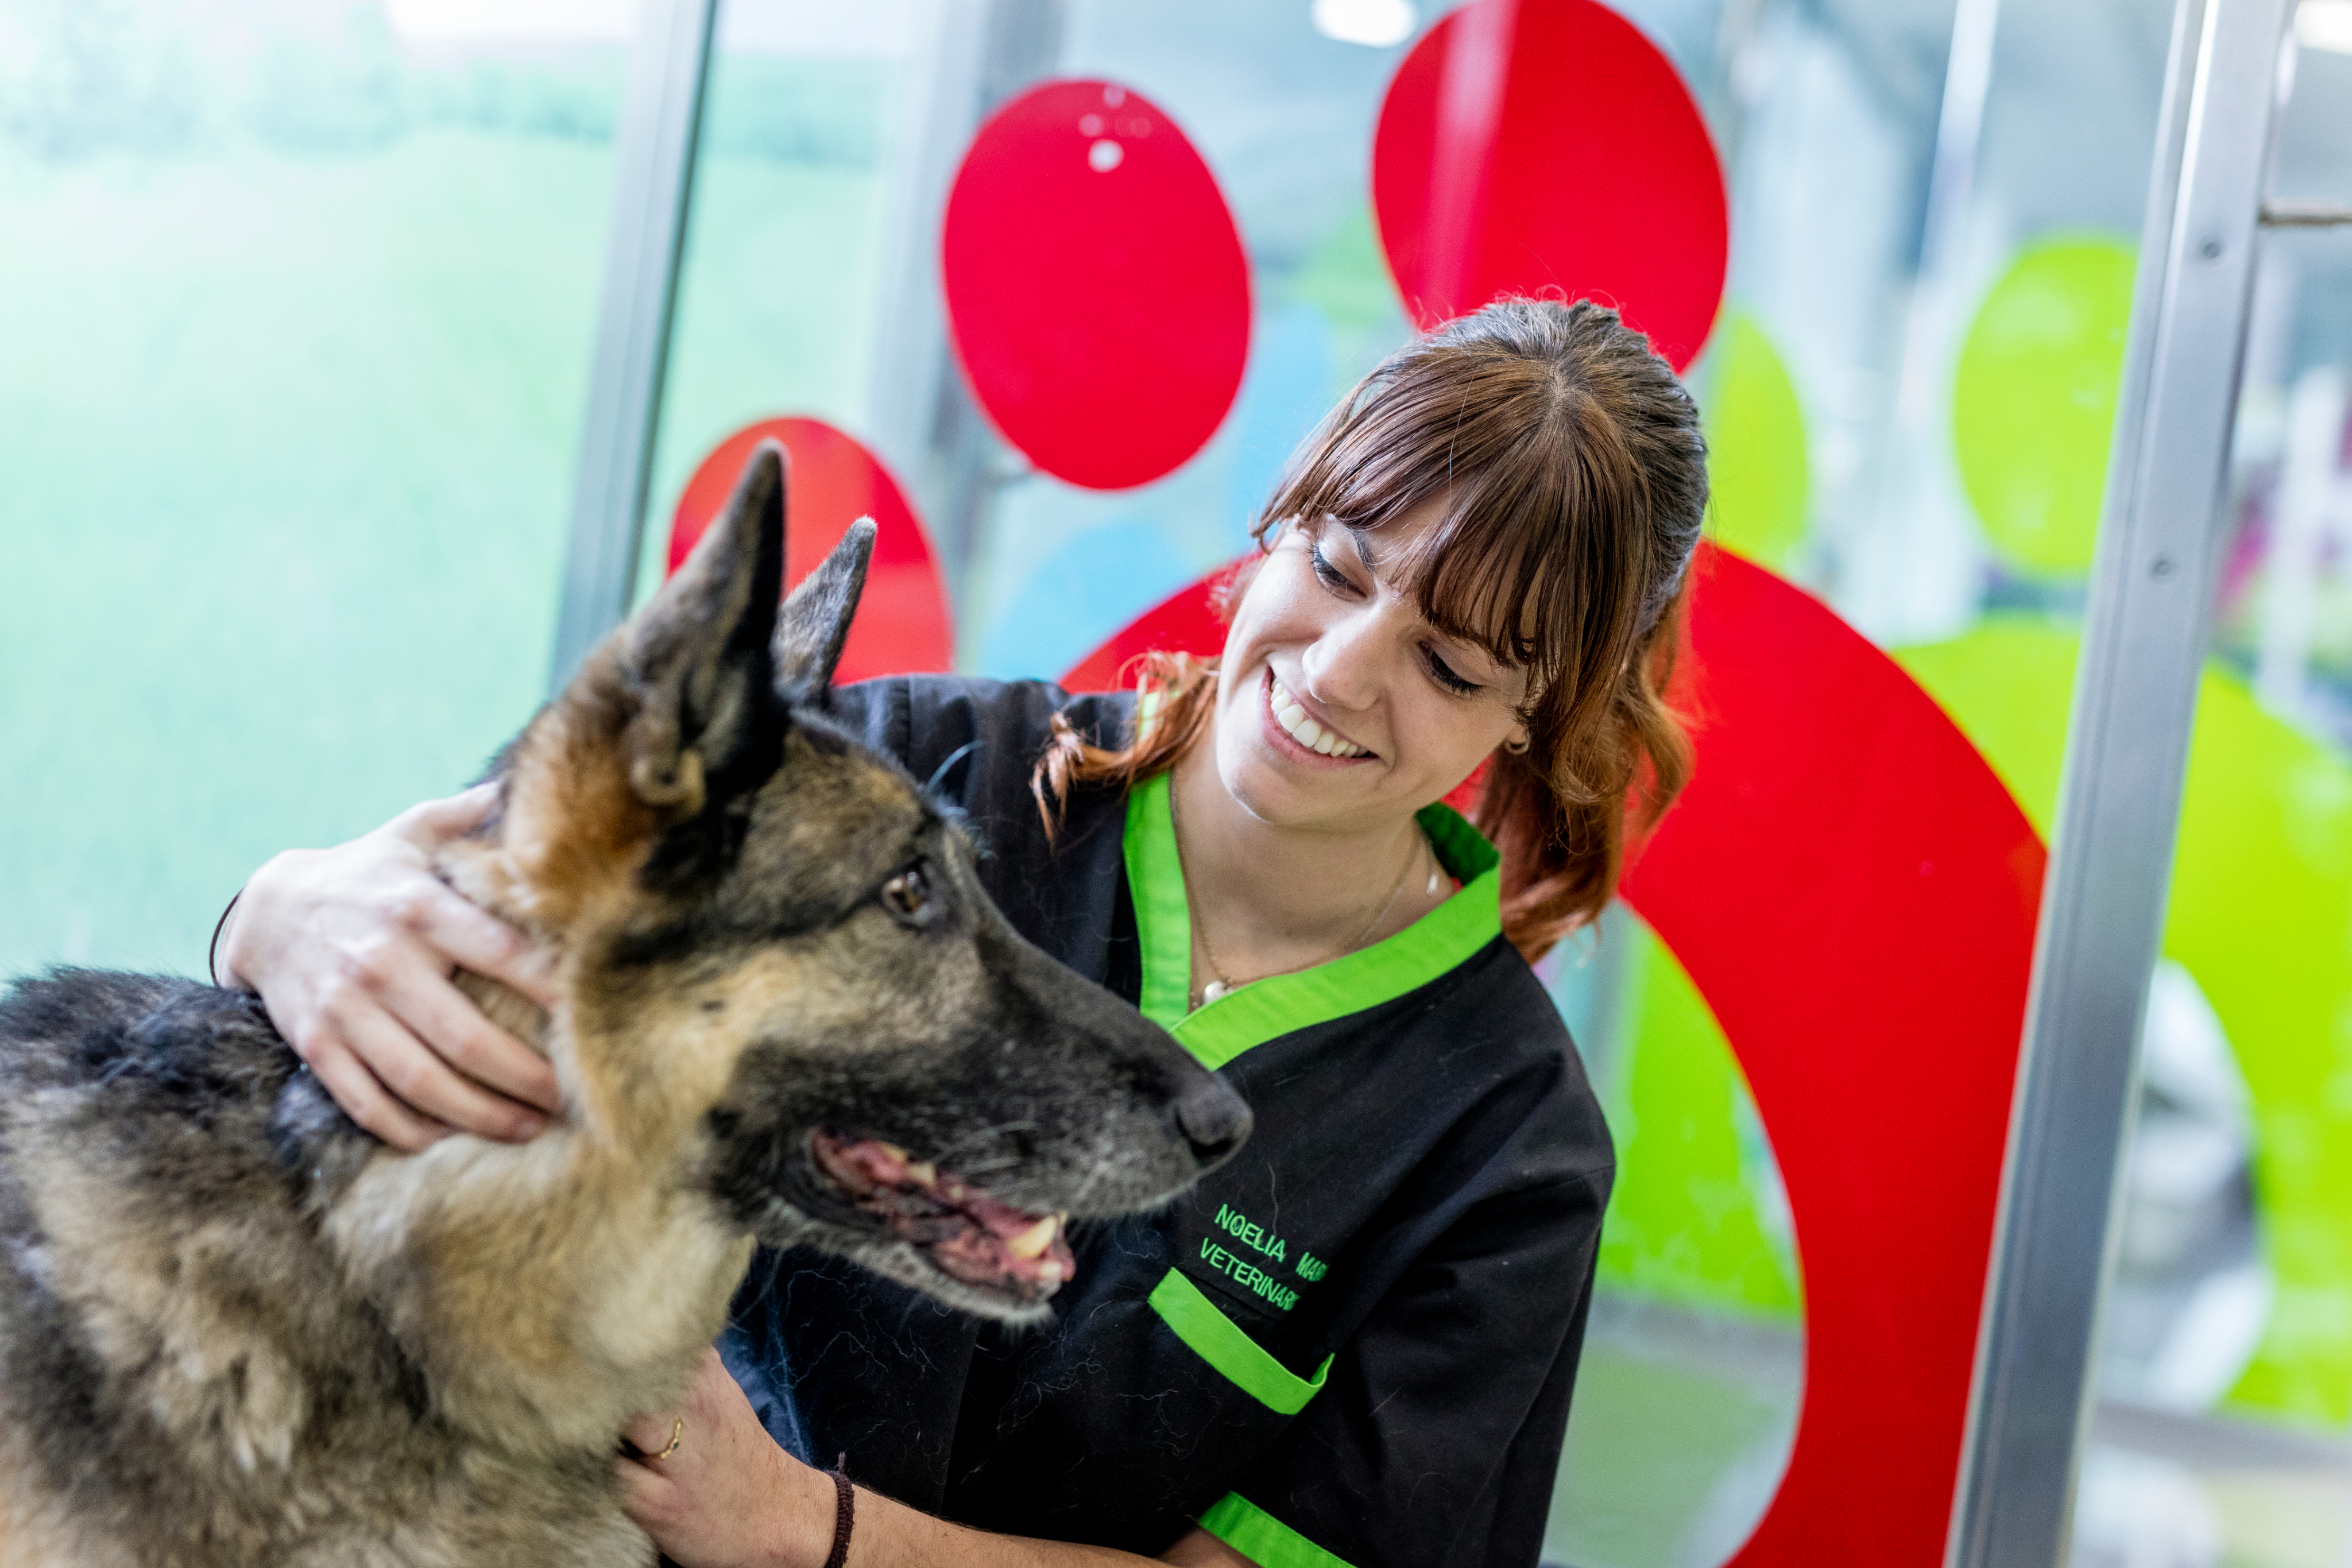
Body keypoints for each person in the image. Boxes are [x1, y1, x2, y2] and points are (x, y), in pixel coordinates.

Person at [215, 297, 1707, 1568]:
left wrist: (809, 1527)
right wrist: (276, 910)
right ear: (1279, 521)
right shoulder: (911, 771)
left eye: (1447, 662)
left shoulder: (1504, 1142)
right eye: (1336, 561)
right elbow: (481, 922)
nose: (1338, 665)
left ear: (1542, 721)